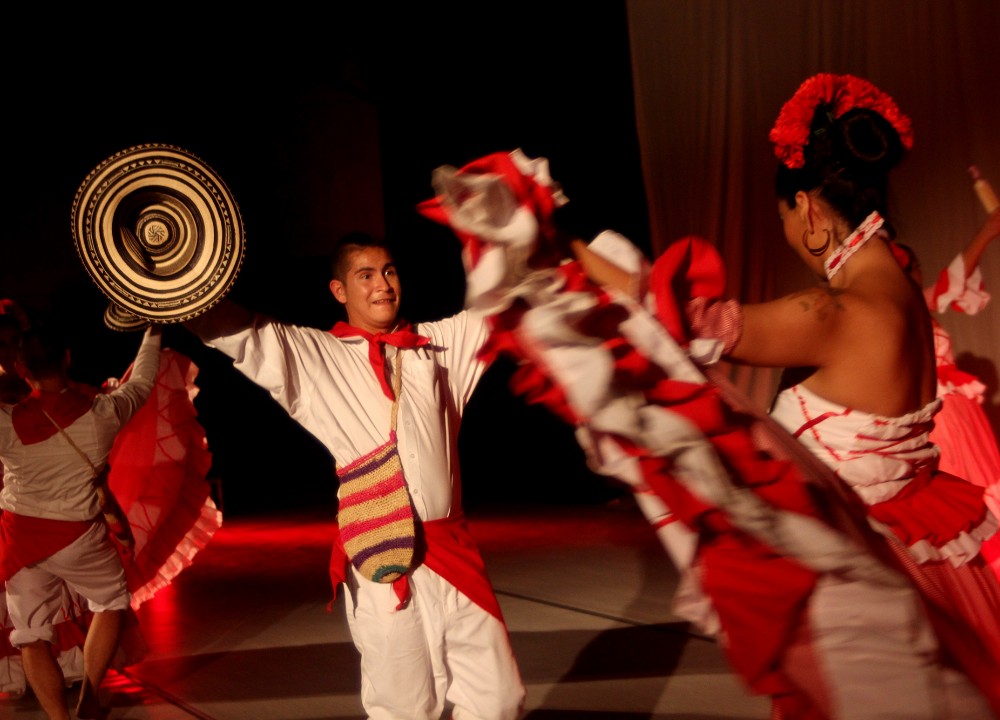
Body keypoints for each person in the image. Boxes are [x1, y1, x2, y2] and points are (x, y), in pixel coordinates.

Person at [417, 147, 1000, 717]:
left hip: (870, 568)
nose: (790, 236)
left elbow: (676, 320)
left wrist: (557, 242)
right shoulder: (906, 300)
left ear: (809, 209)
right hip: (941, 559)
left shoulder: (839, 313)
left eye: (785, 220)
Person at [184, 232, 525, 720]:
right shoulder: (317, 355)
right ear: (339, 291)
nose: (383, 285)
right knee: (404, 708)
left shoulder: (437, 346)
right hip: (382, 557)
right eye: (365, 275)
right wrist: (166, 289)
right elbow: (241, 331)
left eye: (389, 271)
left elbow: (497, 306)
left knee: (498, 699)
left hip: (454, 553)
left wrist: (516, 231)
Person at [0, 319, 161, 720]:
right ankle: (89, 697)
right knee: (111, 601)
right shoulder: (103, 413)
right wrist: (155, 328)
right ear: (68, 358)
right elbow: (142, 379)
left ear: (21, 368)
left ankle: (59, 719)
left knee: (31, 636)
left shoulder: (5, 422)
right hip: (79, 538)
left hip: (21, 541)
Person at [891, 208, 1000, 576]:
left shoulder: (919, 305)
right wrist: (984, 232)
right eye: (907, 270)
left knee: (985, 485)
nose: (915, 275)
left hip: (965, 417)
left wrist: (986, 233)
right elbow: (953, 278)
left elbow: (949, 281)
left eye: (914, 268)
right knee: (966, 497)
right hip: (942, 419)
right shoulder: (901, 310)